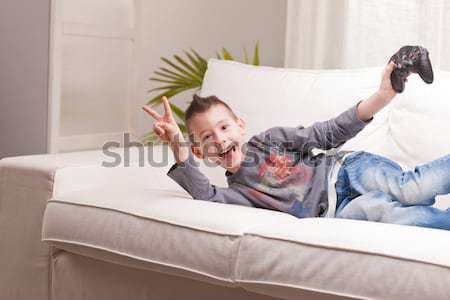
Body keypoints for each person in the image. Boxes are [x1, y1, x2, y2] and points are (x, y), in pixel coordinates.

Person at [142, 62, 450, 231]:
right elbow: (204, 196)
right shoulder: (236, 193)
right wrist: (178, 145)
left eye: (224, 128)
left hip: (346, 172)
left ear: (241, 126)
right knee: (389, 214)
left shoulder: (268, 141)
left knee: (410, 190)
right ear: (200, 152)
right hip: (336, 211)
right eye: (208, 138)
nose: (220, 139)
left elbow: (327, 132)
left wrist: (383, 96)